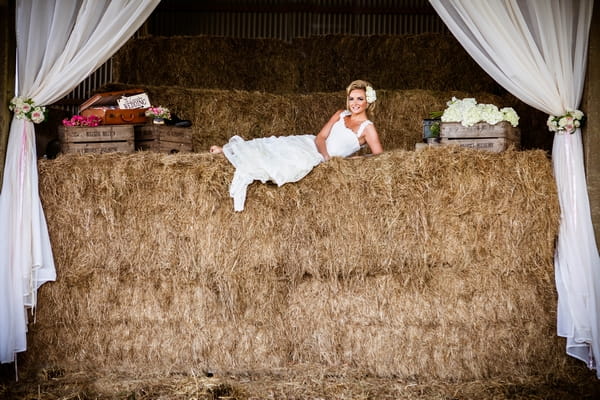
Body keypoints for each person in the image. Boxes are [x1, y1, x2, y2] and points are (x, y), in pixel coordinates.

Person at [210, 80, 383, 211]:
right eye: (351, 98)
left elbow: (379, 156)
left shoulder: (367, 128)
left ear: (368, 101)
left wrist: (353, 159)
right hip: (313, 146)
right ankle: (226, 150)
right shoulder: (341, 114)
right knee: (272, 145)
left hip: (321, 157)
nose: (355, 102)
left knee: (284, 164)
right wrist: (326, 157)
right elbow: (321, 137)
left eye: (360, 98)